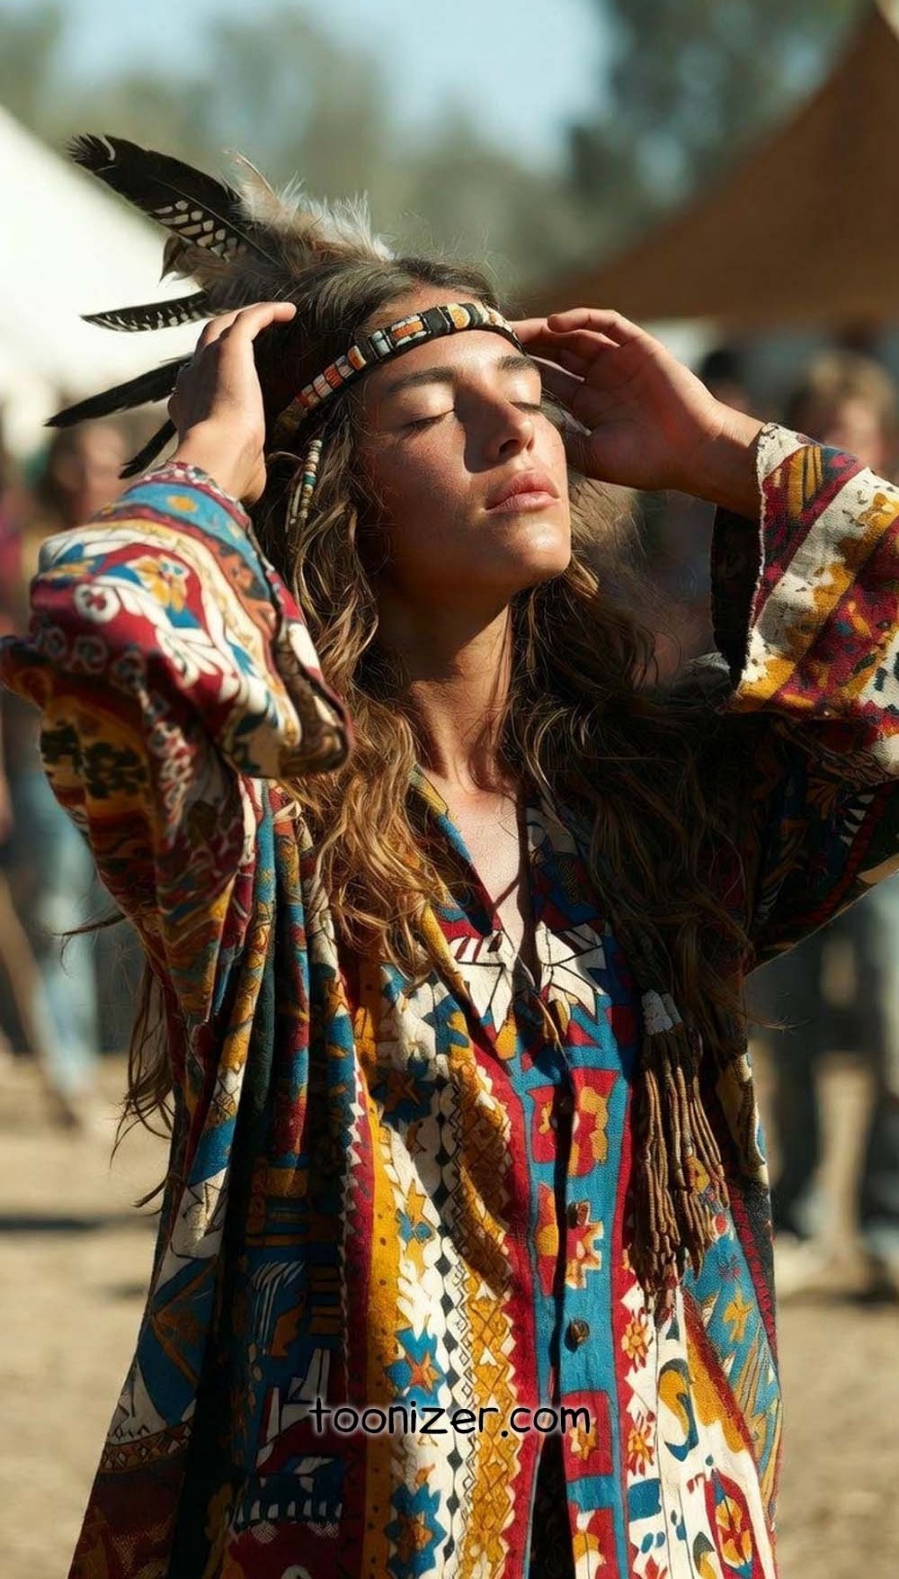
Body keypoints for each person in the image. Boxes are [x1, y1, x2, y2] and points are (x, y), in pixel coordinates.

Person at [5, 139, 899, 1579]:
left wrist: (722, 453)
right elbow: (98, 634)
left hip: (660, 1536)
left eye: (526, 401)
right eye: (435, 413)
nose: (513, 436)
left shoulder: (661, 812)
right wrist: (207, 462)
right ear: (327, 489)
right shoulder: (256, 834)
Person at [748, 350, 899, 1295]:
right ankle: (799, 1216)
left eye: (849, 438)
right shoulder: (760, 548)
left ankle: (886, 1220)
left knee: (890, 1024)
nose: (834, 456)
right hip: (786, 821)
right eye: (816, 437)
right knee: (789, 1026)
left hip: (890, 828)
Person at [0, 420, 129, 1125]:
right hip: (43, 761)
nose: (91, 478)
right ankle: (72, 1074)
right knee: (55, 920)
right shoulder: (28, 551)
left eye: (106, 463)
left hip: (134, 768)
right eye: (80, 462)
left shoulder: (139, 544)